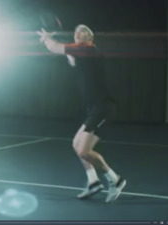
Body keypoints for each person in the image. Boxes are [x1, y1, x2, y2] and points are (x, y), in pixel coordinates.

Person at [37, 24, 126, 203]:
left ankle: (115, 179)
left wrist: (47, 38)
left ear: (90, 38)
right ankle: (93, 182)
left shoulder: (88, 49)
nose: (79, 33)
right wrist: (62, 47)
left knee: (85, 151)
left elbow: (55, 48)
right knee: (76, 144)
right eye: (77, 31)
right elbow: (70, 57)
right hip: (94, 109)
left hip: (103, 108)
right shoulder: (82, 54)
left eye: (83, 31)